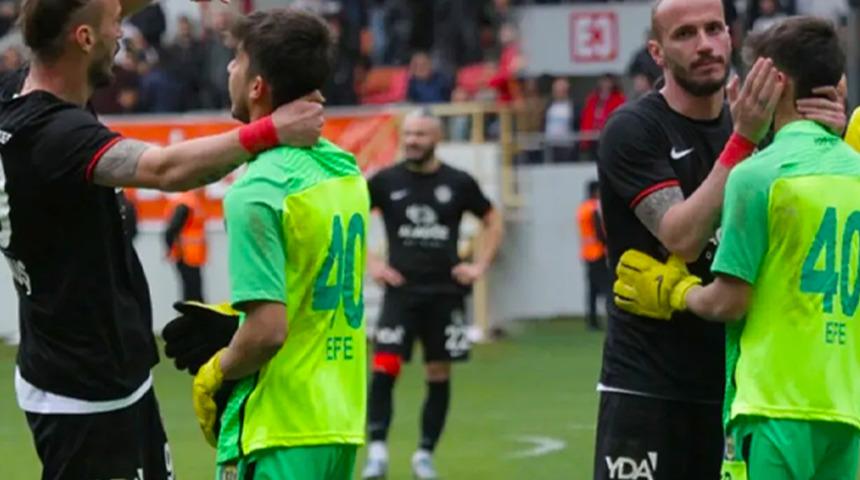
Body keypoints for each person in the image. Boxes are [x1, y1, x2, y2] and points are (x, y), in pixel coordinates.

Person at [0, 0, 323, 478]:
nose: (123, 36)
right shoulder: (56, 136)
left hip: (100, 373)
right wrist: (271, 131)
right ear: (84, 39)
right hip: (85, 395)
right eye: (116, 26)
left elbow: (66, 14)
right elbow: (165, 169)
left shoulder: (30, 91)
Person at [594, 0, 846, 478]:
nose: (705, 45)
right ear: (657, 52)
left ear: (731, 36)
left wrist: (823, 144)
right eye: (685, 34)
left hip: (742, 387)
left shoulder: (771, 133)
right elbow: (683, 237)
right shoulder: (633, 130)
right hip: (649, 383)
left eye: (714, 29)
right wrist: (743, 142)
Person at [163, 9, 370, 479]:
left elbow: (268, 333)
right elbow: (308, 293)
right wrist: (237, 317)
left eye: (236, 60)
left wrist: (217, 369)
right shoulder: (345, 171)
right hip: (338, 421)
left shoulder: (258, 189)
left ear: (257, 86)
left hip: (278, 425)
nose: (229, 70)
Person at [361, 109, 504, 480]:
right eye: (408, 134)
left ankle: (424, 454)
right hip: (400, 292)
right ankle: (377, 452)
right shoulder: (385, 181)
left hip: (445, 294)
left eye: (420, 135)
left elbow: (493, 220)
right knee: (384, 366)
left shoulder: (457, 183)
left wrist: (478, 266)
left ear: (436, 138)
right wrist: (371, 263)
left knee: (438, 371)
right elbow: (350, 217)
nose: (412, 141)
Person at [164, 188, 208, 301]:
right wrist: (171, 249)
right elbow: (171, 229)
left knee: (193, 291)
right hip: (185, 255)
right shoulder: (187, 203)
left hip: (192, 255)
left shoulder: (192, 201)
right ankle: (192, 317)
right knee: (192, 292)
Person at [577, 180, 608, 330]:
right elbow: (599, 230)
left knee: (592, 289)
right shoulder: (594, 208)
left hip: (587, 253)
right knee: (606, 287)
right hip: (598, 252)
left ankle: (592, 321)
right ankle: (611, 316)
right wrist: (606, 244)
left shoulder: (582, 208)